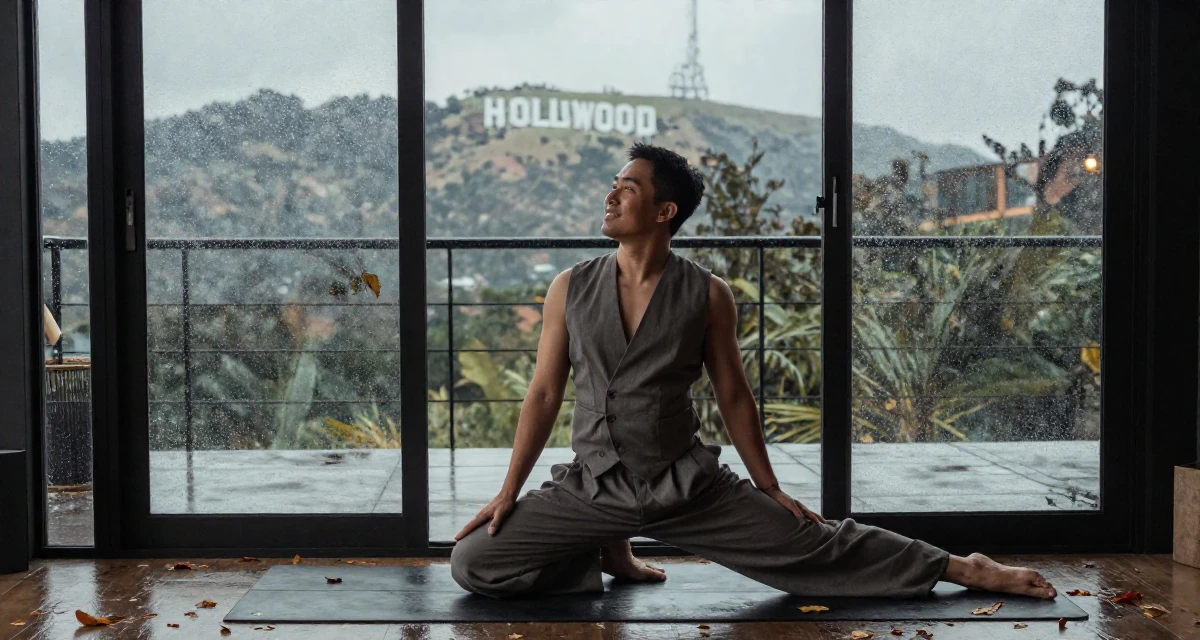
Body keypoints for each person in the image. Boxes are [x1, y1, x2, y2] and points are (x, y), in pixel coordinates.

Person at [449, 143, 1057, 601]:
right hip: (593, 486)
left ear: (665, 211)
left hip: (682, 486)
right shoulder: (569, 288)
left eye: (627, 188)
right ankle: (609, 551)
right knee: (474, 561)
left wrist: (767, 487)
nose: (610, 197)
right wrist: (508, 492)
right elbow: (545, 393)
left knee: (817, 548)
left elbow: (735, 396)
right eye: (613, 185)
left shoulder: (708, 294)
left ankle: (961, 565)